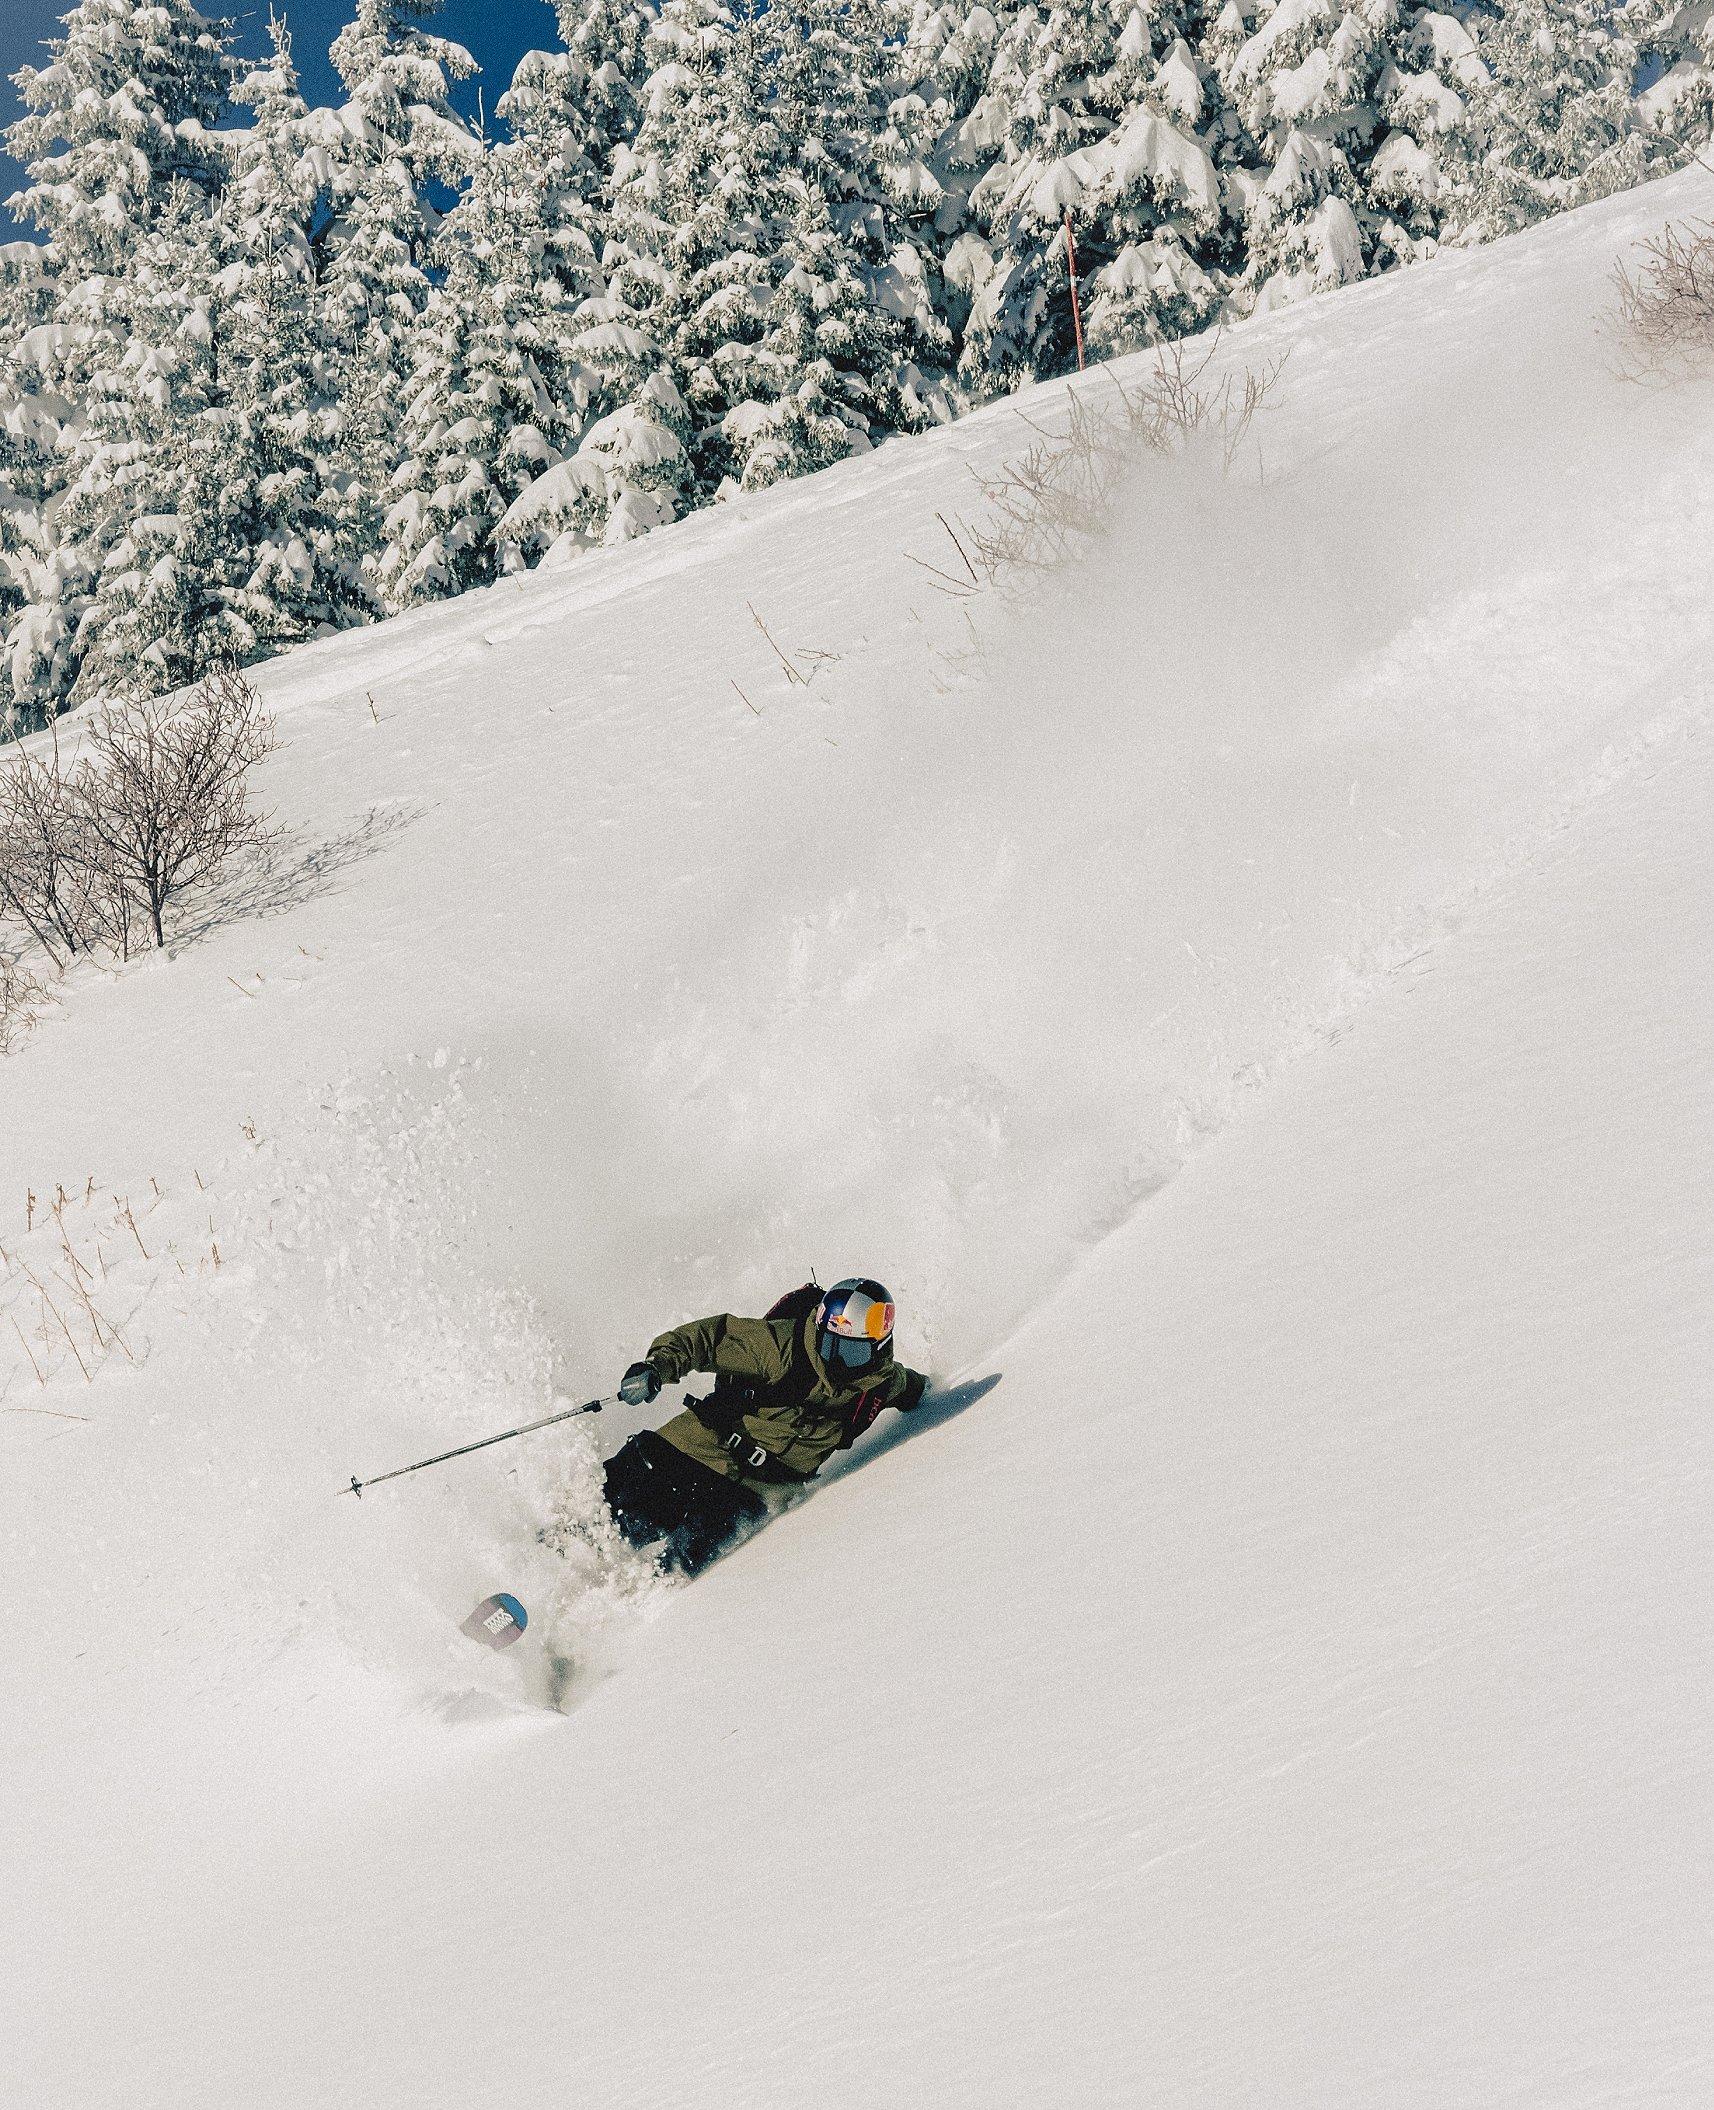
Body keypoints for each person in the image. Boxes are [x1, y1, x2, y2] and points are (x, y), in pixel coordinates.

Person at [602, 1278, 929, 1575]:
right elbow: (711, 1340)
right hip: (696, 1449)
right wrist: (656, 1366)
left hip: (753, 1495)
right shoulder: (782, 1346)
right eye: (830, 1346)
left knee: (675, 1573)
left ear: (879, 1349)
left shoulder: (882, 1384)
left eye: (851, 1353)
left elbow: (917, 1389)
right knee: (606, 1523)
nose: (835, 1361)